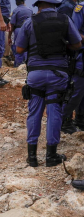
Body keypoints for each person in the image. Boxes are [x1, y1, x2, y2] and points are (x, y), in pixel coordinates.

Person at [16, 0, 81, 167]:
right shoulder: (65, 20)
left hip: (35, 75)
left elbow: (19, 49)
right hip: (57, 75)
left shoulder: (30, 22)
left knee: (34, 112)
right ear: (55, 5)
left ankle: (32, 157)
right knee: (54, 111)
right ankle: (51, 156)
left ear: (38, 5)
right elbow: (77, 44)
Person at [61, 2, 84, 134]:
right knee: (76, 90)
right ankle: (63, 119)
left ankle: (81, 119)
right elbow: (74, 33)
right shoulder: (81, 8)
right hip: (80, 56)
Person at [8, 0, 32, 67]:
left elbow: (12, 24)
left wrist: (9, 37)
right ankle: (27, 64)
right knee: (27, 48)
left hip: (19, 29)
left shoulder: (16, 10)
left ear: (16, 2)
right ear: (23, 2)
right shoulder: (30, 9)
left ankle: (18, 65)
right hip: (29, 30)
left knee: (18, 47)